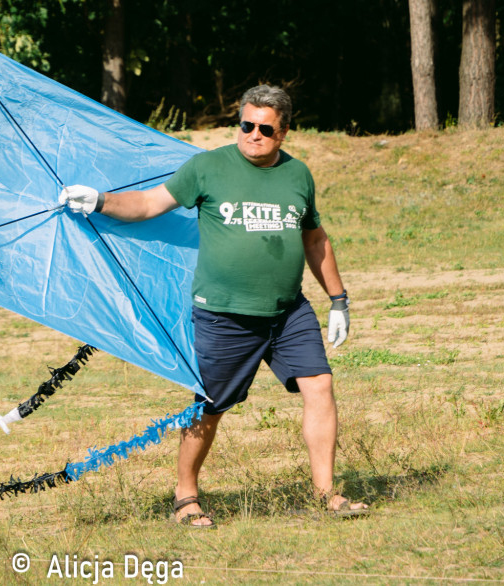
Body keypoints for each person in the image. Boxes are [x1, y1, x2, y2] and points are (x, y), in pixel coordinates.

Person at [59, 84, 368, 527]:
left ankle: (326, 494)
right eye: (246, 125)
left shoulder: (298, 175)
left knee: (319, 386)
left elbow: (314, 238)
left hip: (288, 311)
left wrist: (338, 300)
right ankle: (185, 494)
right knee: (211, 407)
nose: (253, 135)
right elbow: (150, 204)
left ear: (283, 133)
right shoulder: (207, 167)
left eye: (265, 129)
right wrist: (101, 201)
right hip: (225, 315)